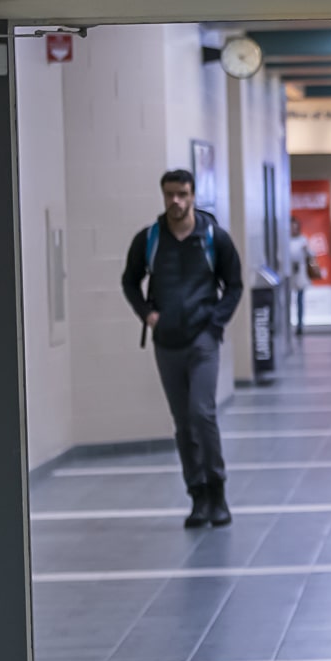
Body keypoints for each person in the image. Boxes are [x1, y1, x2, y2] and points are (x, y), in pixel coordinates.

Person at [120, 168, 244, 529]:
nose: (176, 201)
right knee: (183, 423)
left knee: (202, 413)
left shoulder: (213, 237)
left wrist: (216, 321)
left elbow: (234, 285)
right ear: (163, 195)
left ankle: (218, 490)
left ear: (193, 195)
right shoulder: (150, 239)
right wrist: (147, 314)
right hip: (166, 342)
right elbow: (129, 281)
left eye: (183, 194)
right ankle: (198, 495)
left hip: (203, 338)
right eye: (170, 194)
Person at [285, 217, 316, 336]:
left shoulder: (303, 240)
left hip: (300, 272)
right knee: (287, 300)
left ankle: (300, 325)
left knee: (300, 300)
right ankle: (287, 323)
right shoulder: (286, 240)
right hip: (289, 272)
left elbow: (311, 255)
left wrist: (306, 250)